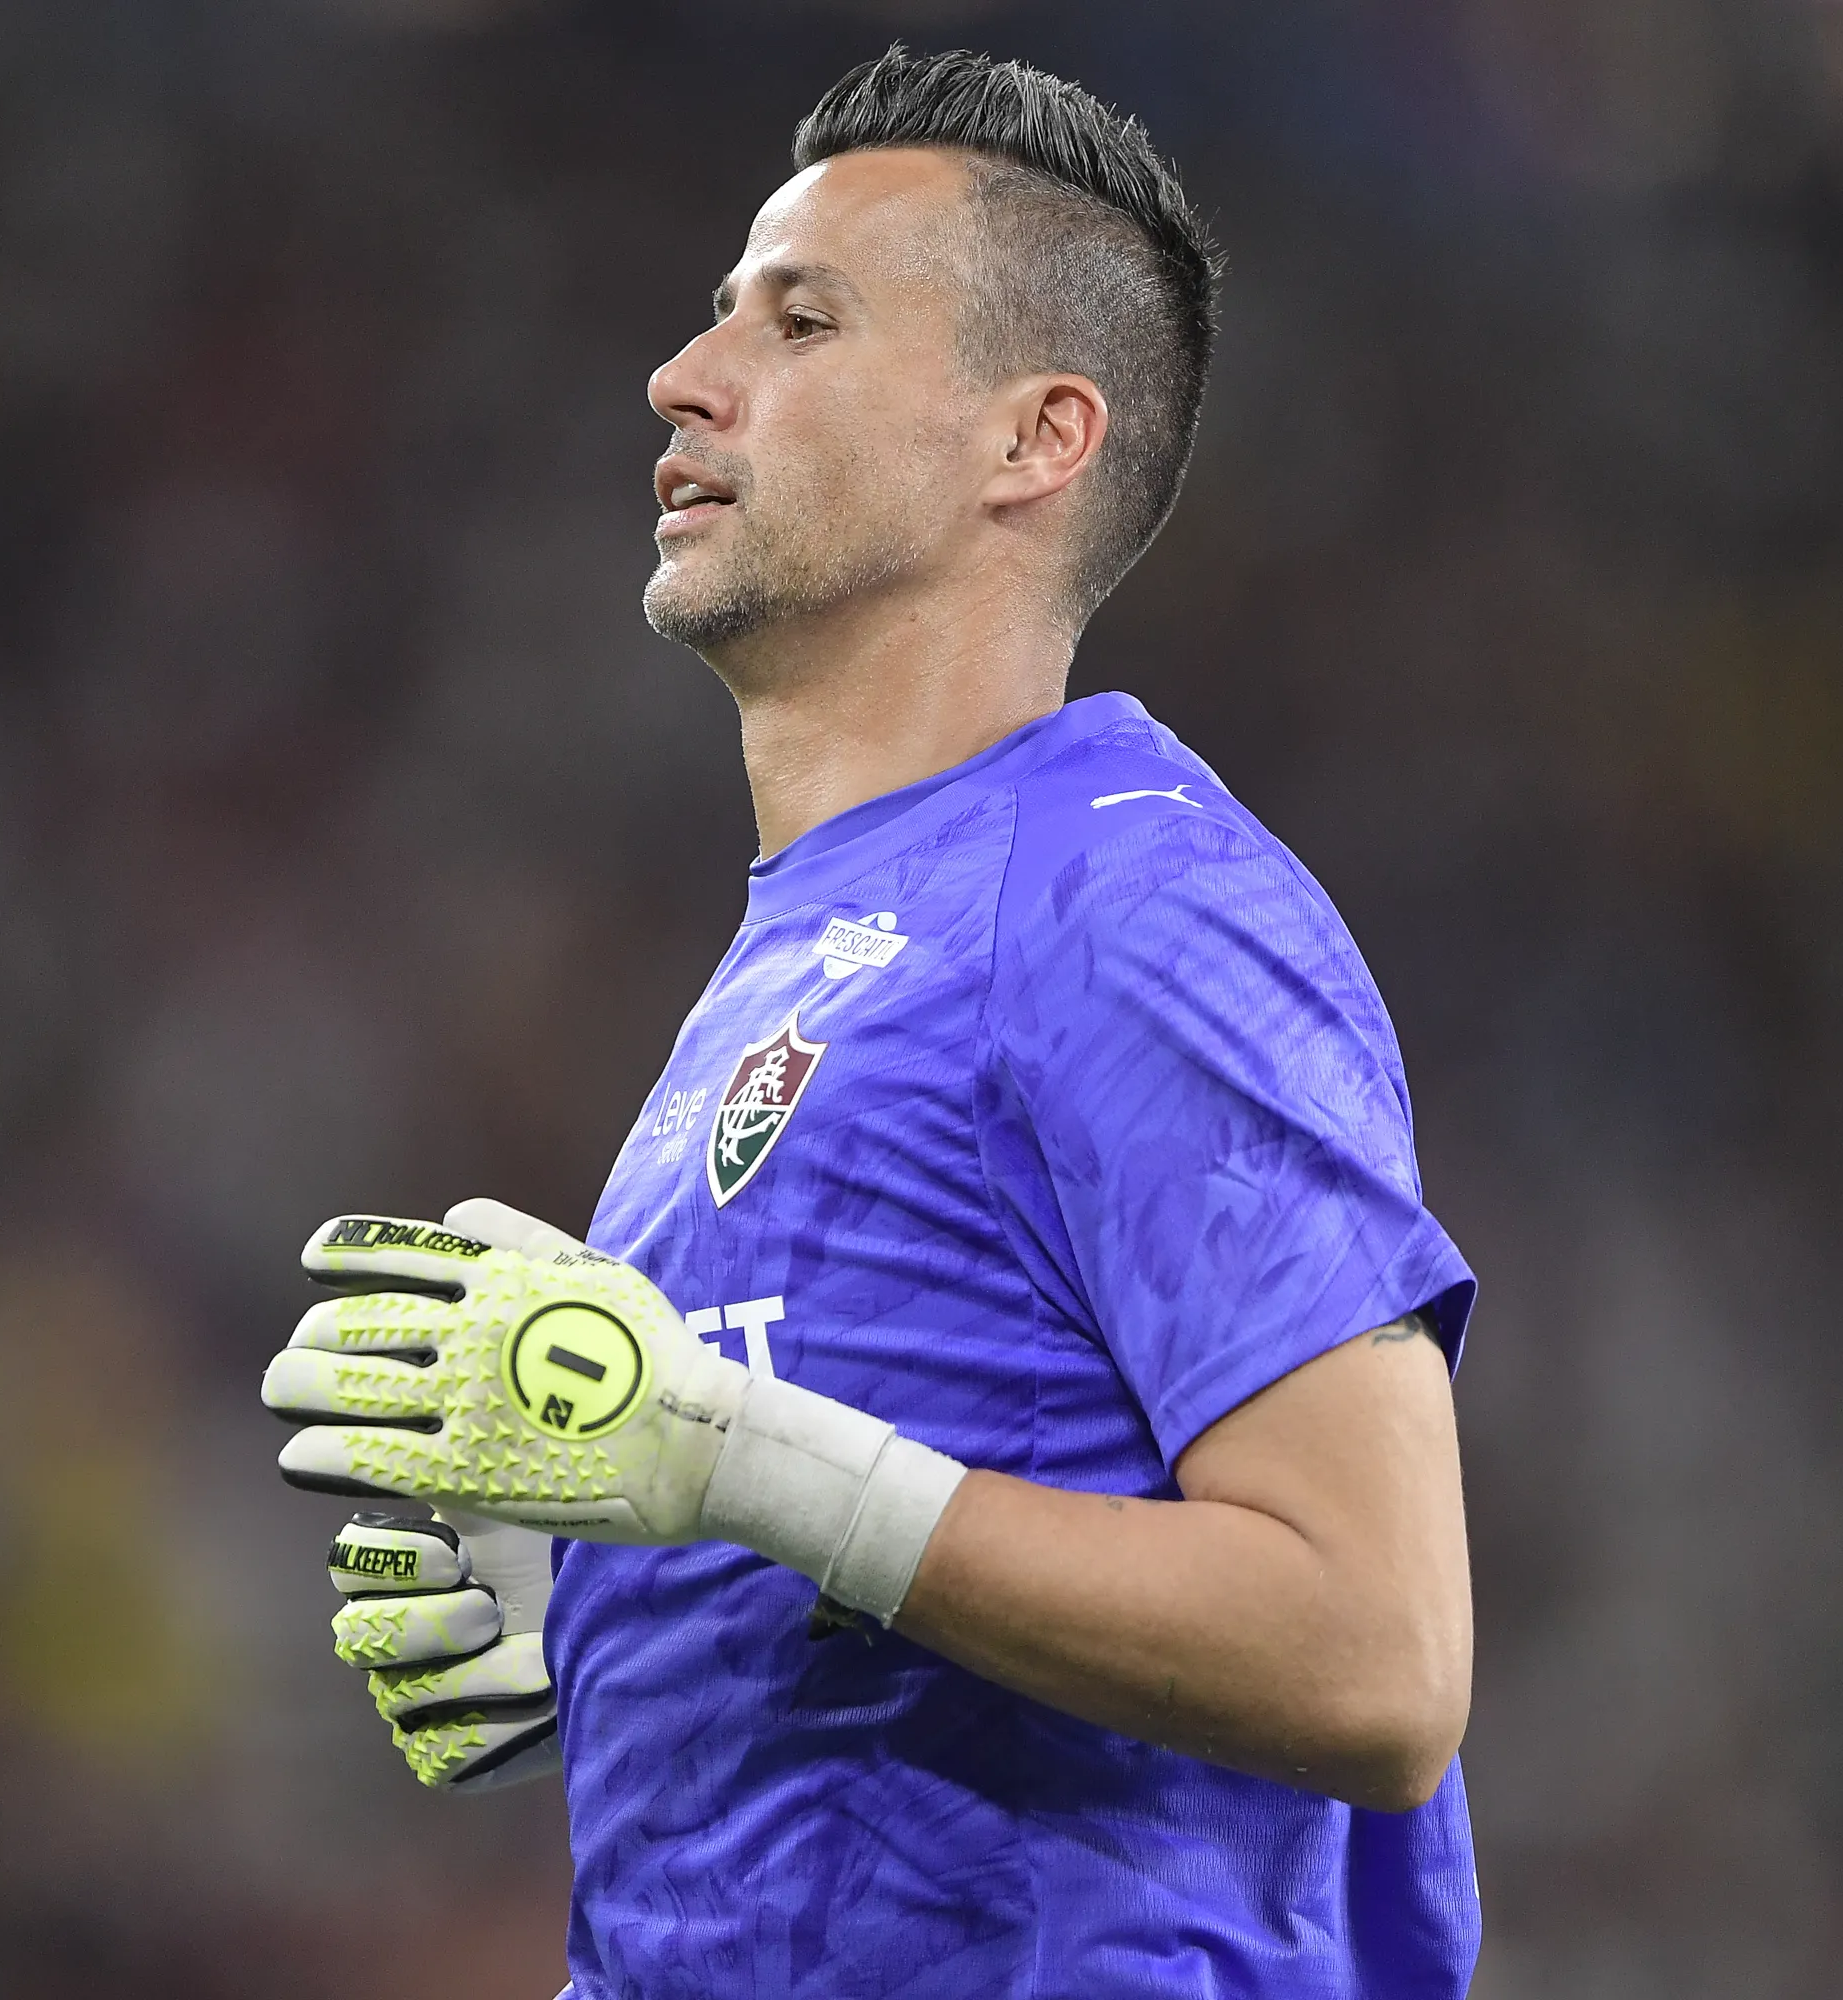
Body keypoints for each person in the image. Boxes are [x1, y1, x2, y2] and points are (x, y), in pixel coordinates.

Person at [265, 46, 1480, 1999]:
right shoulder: (808, 959)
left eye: (799, 317)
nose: (685, 373)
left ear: (1032, 440)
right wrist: (611, 1612)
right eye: (719, 308)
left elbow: (1374, 1649)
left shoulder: (1133, 902)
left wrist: (729, 1462)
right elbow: (902, 1536)